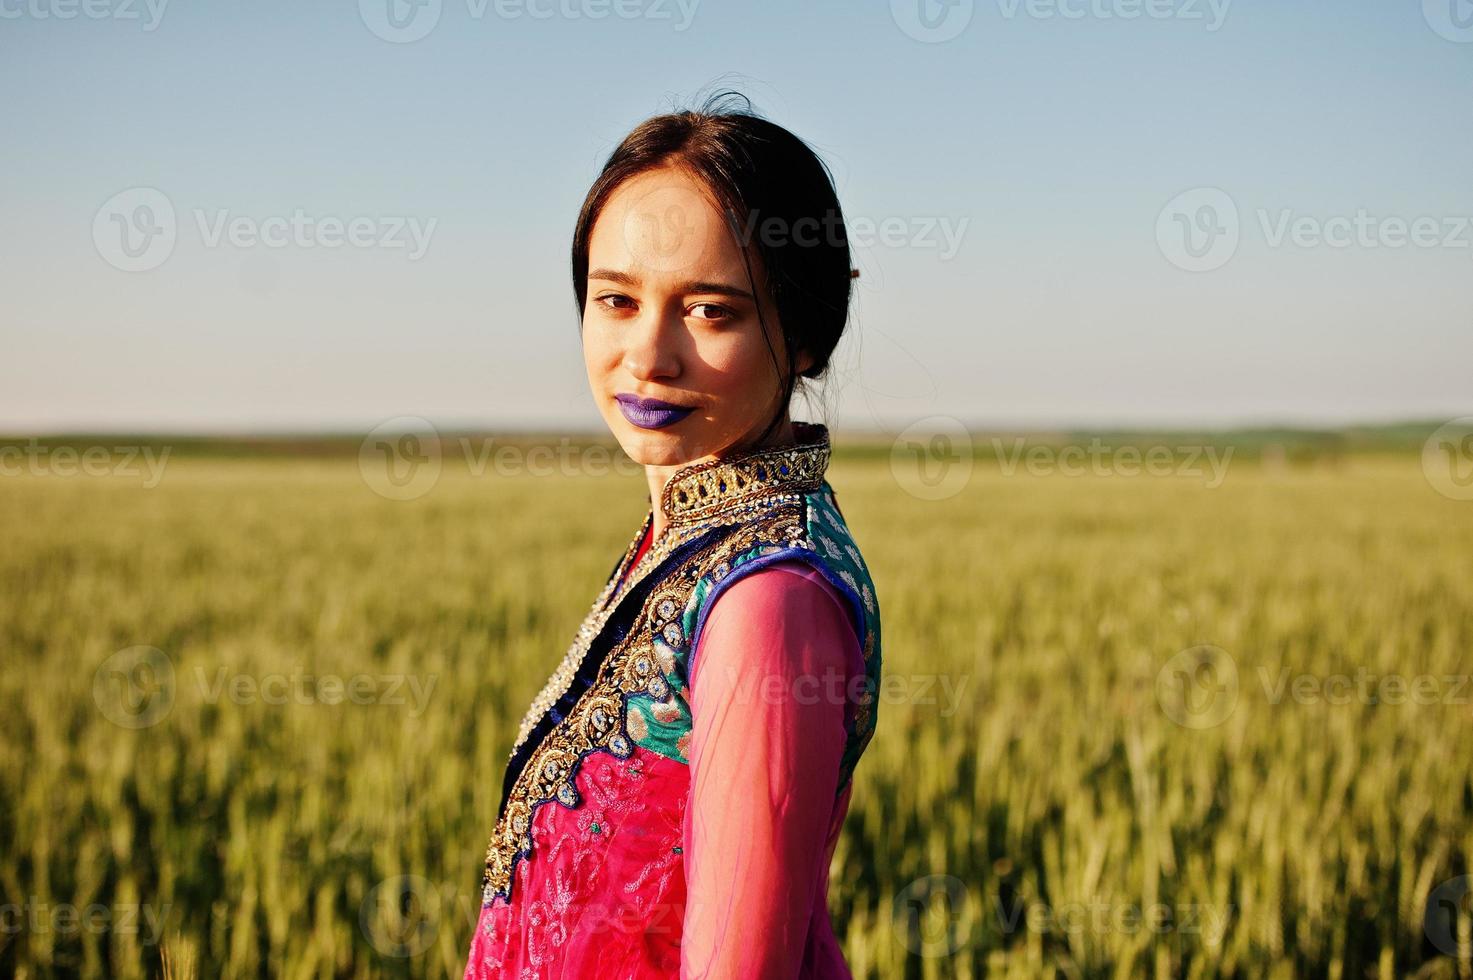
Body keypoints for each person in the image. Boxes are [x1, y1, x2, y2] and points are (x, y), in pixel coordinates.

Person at [464, 92, 883, 979]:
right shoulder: (692, 544)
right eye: (615, 300)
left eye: (710, 311)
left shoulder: (767, 601)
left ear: (803, 333)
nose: (649, 354)